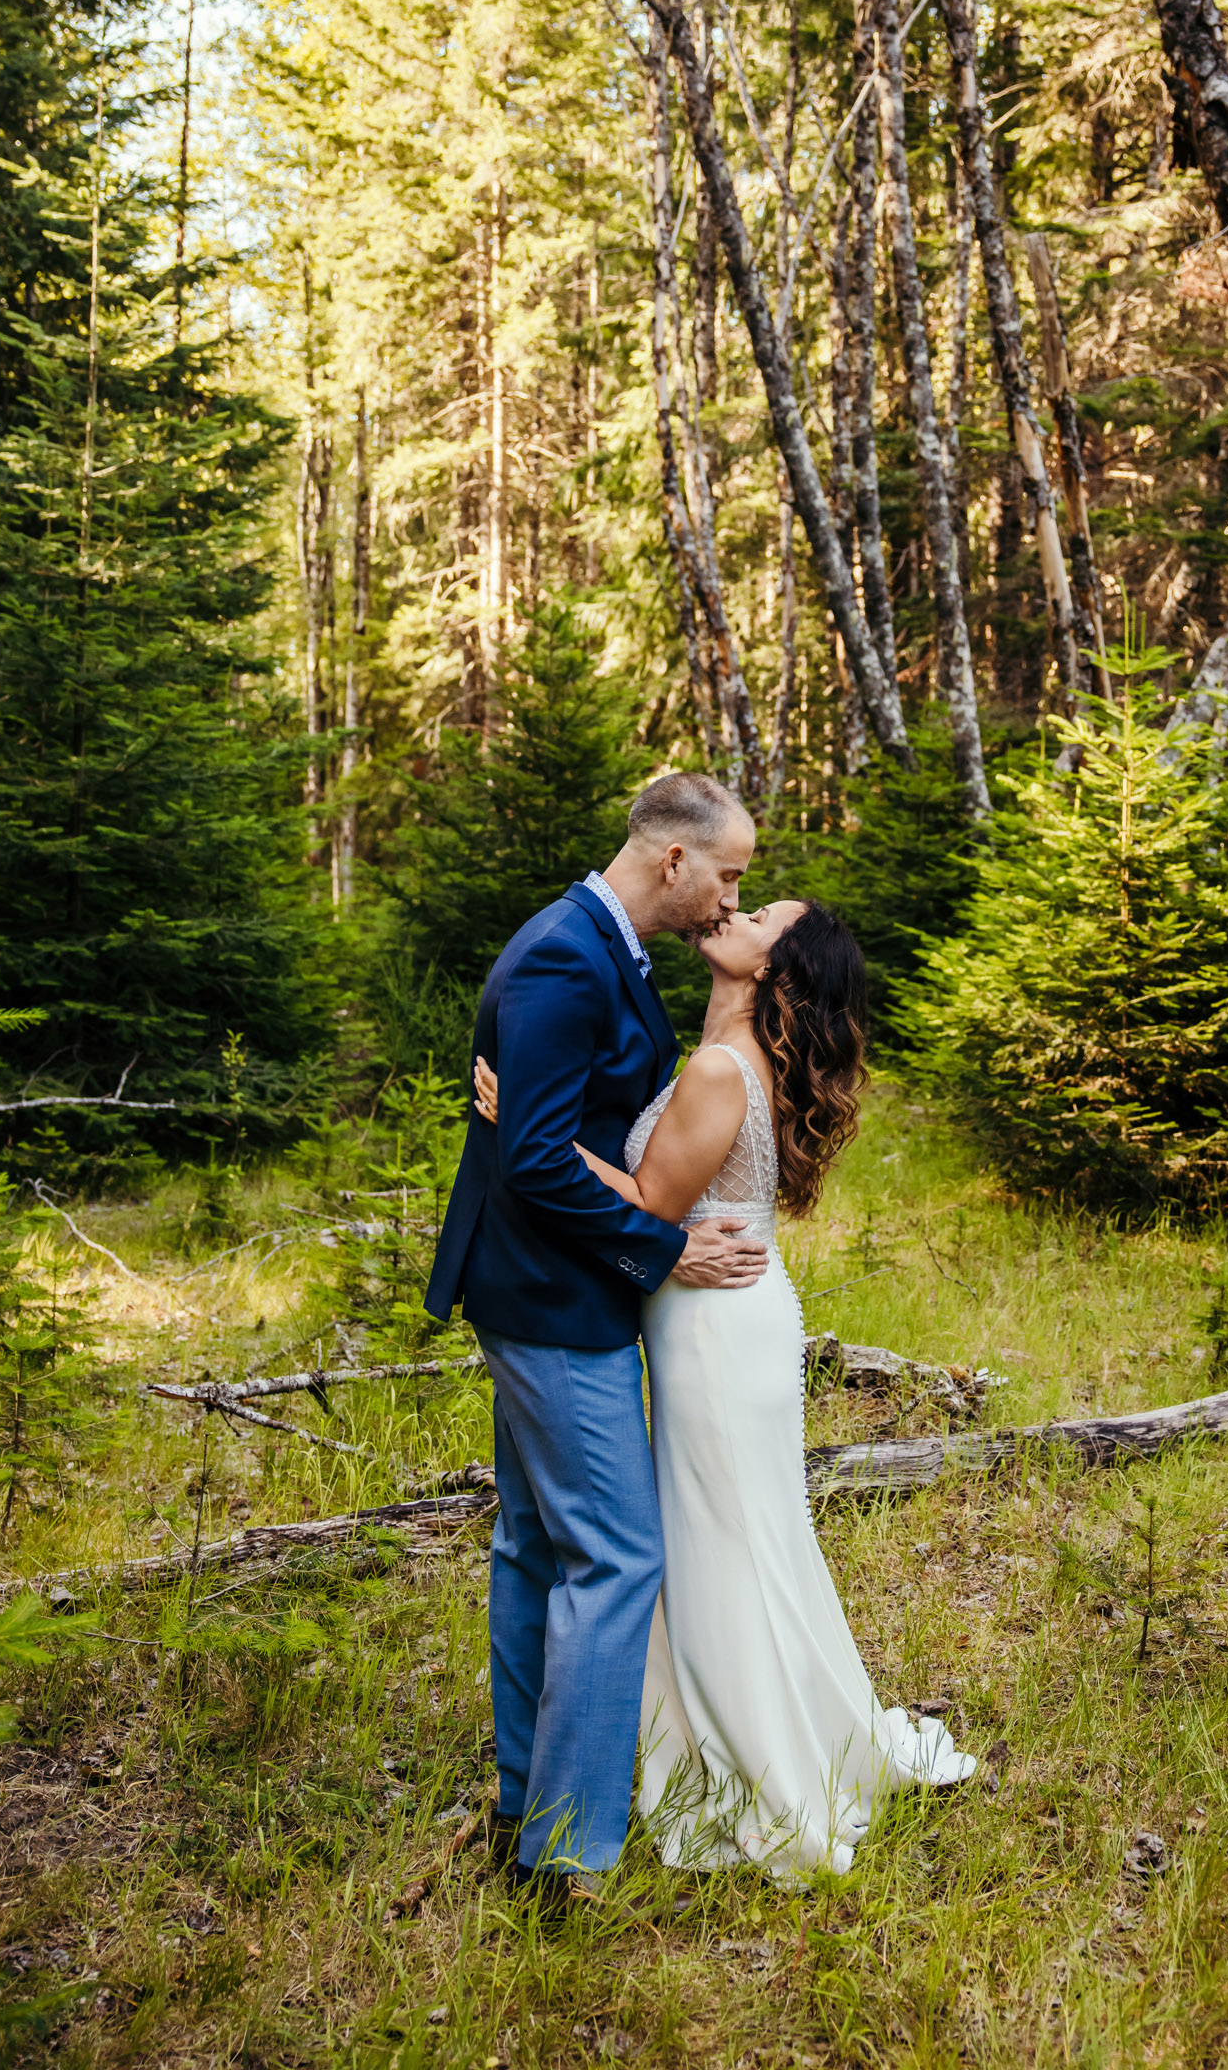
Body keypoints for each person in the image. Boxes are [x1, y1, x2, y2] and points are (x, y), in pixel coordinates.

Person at [473, 893, 977, 1887]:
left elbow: (653, 1204)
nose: (731, 912)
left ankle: (748, 1767)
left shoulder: (715, 1068)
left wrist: (529, 1125)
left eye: (759, 916)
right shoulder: (723, 1053)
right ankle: (749, 1738)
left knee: (715, 1543)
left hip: (712, 1331)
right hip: (728, 1318)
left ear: (771, 967)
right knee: (741, 1534)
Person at [425, 772, 767, 1908]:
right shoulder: (565, 954)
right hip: (549, 1301)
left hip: (543, 1287)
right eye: (726, 875)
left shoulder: (599, 945)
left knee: (535, 1547)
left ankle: (524, 1807)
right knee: (616, 1556)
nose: (728, 900)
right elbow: (529, 1159)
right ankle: (561, 1854)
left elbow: (551, 1119)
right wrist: (660, 1252)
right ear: (672, 860)